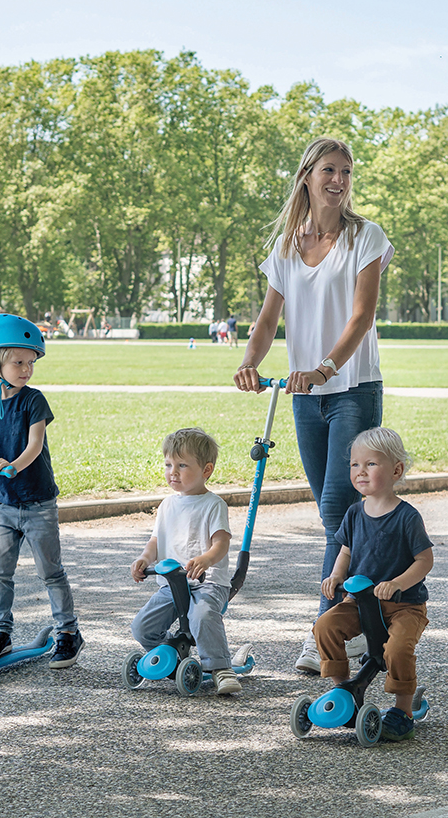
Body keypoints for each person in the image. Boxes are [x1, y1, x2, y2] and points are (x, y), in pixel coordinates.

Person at [234, 135, 394, 674]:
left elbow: (362, 316)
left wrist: (326, 367)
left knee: (335, 507)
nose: (339, 180)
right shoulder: (286, 246)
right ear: (307, 176)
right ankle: (356, 620)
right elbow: (267, 320)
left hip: (352, 388)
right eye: (329, 170)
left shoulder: (365, 237)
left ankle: (326, 631)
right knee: (338, 519)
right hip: (304, 396)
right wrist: (249, 362)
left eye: (346, 171)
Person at [0, 313, 85, 669]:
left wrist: (10, 464)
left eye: (31, 362)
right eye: (18, 362)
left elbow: (34, 445)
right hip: (3, 504)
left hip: (38, 502)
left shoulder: (33, 401)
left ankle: (68, 632)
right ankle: (0, 632)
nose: (27, 369)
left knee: (50, 572)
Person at [315, 427, 433, 742]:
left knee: (397, 649)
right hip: (360, 601)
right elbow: (346, 551)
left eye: (371, 464)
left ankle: (403, 711)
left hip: (404, 605)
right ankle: (344, 691)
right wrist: (336, 576)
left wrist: (396, 583)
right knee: (325, 626)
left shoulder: (407, 517)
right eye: (355, 464)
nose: (360, 471)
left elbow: (424, 561)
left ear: (396, 470)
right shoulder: (354, 513)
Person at [130, 427, 242, 696]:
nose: (173, 472)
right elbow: (156, 541)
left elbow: (221, 543)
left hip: (208, 583)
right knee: (142, 627)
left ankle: (220, 667)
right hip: (172, 584)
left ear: (206, 470)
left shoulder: (213, 504)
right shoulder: (167, 505)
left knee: (201, 616)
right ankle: (171, 653)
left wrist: (206, 559)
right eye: (168, 465)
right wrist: (145, 558)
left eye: (182, 465)